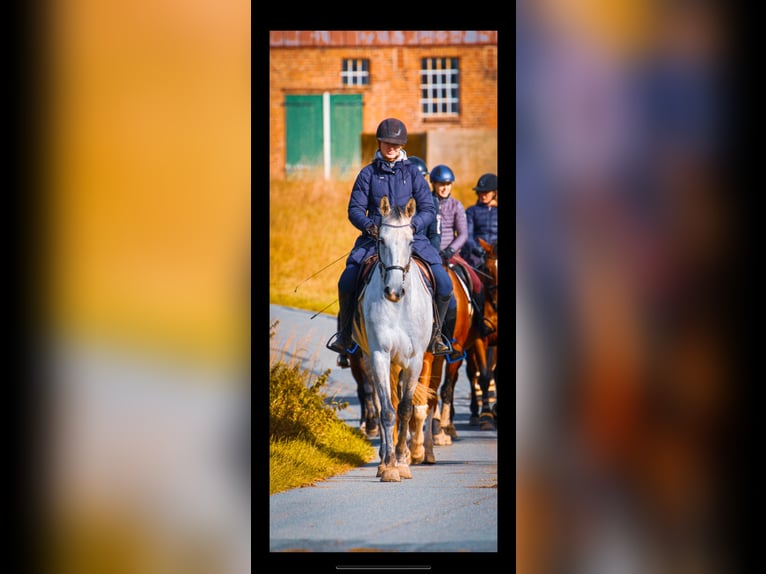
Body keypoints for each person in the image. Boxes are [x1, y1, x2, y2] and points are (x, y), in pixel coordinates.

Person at [327, 118, 454, 368]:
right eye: (387, 143)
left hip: (411, 238)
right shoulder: (367, 174)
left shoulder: (413, 174)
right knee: (347, 280)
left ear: (402, 145)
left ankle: (437, 336)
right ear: (380, 143)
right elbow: (354, 209)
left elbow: (428, 207)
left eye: (396, 144)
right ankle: (344, 336)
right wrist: (369, 227)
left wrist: (413, 226)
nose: (391, 148)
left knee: (444, 282)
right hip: (375, 238)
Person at [460, 172, 498, 335]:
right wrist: (478, 249)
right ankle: (477, 322)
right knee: (476, 286)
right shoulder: (471, 211)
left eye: (486, 192)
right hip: (476, 256)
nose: (483, 195)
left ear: (494, 192)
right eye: (480, 192)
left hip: (495, 256)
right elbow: (467, 235)